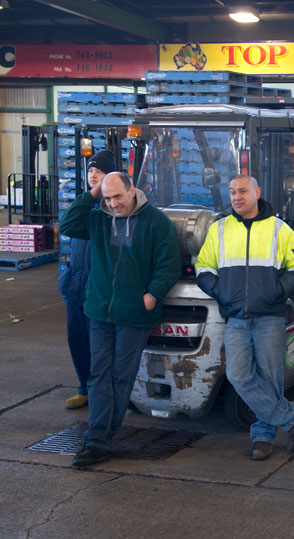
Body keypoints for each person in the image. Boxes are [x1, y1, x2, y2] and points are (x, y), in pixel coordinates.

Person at [59, 172, 180, 467]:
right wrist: (92, 194)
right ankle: (97, 440)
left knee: (120, 376)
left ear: (132, 191)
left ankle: (101, 437)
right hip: (99, 310)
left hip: (134, 314)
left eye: (118, 197)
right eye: (107, 197)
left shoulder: (156, 222)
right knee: (98, 374)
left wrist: (152, 294)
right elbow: (67, 224)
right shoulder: (98, 218)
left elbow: (168, 264)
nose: (113, 204)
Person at [196, 175, 294, 461]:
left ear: (257, 192)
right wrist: (221, 291)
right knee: (237, 374)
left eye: (242, 191)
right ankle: (290, 415)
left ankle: (263, 436)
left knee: (270, 378)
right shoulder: (220, 229)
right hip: (235, 317)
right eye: (232, 192)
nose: (236, 197)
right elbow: (203, 267)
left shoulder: (278, 229)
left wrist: (276, 292)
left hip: (269, 316)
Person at [58, 150, 116, 410]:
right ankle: (84, 388)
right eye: (91, 170)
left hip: (97, 288)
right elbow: (66, 226)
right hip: (76, 285)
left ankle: (102, 392)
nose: (93, 175)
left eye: (99, 171)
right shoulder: (83, 205)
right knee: (77, 340)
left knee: (99, 346)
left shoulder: (111, 209)